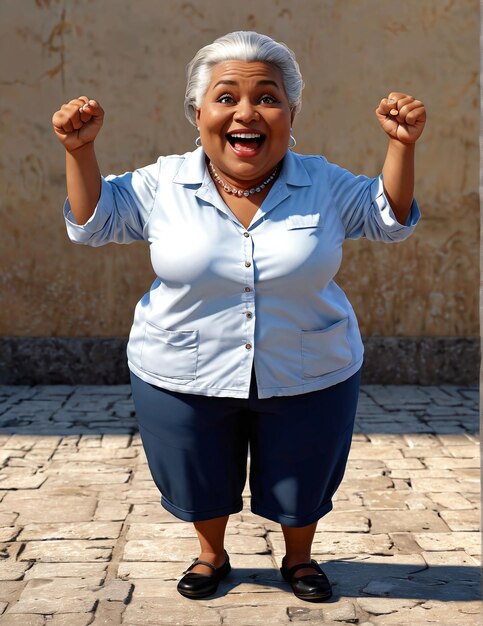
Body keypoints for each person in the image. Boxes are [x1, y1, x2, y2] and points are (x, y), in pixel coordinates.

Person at [52, 30, 425, 602]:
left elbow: (388, 217)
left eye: (267, 98)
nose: (246, 113)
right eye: (226, 97)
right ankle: (212, 554)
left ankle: (299, 560)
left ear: (291, 113)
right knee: (199, 471)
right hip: (183, 364)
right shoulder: (162, 184)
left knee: (303, 473)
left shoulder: (321, 182)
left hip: (310, 364)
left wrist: (402, 147)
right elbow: (95, 220)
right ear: (197, 112)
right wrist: (80, 153)